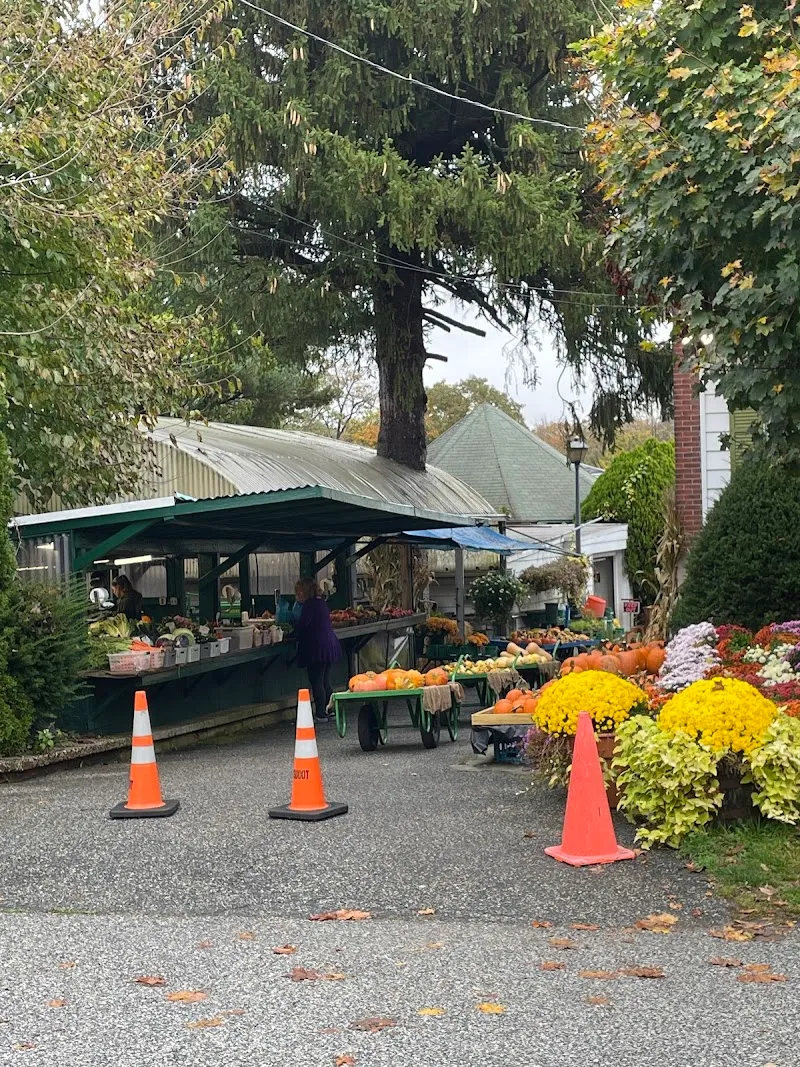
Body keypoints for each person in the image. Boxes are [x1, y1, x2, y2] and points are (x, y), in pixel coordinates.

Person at [293, 577, 342, 722]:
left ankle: (320, 713)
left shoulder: (309, 605)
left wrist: (292, 631)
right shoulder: (322, 603)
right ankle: (330, 709)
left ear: (303, 592)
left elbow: (303, 625)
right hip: (329, 644)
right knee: (326, 679)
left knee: (316, 680)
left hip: (316, 647)